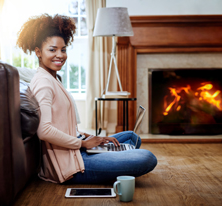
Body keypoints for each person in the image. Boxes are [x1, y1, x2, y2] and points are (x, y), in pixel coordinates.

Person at [16, 13, 157, 184]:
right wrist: (83, 144)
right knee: (147, 158)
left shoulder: (52, 78)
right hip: (72, 164)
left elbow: (63, 125)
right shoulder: (44, 83)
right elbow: (44, 131)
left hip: (76, 148)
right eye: (52, 50)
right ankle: (115, 157)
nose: (59, 55)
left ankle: (112, 154)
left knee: (131, 138)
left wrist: (89, 137)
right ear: (38, 52)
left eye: (63, 49)